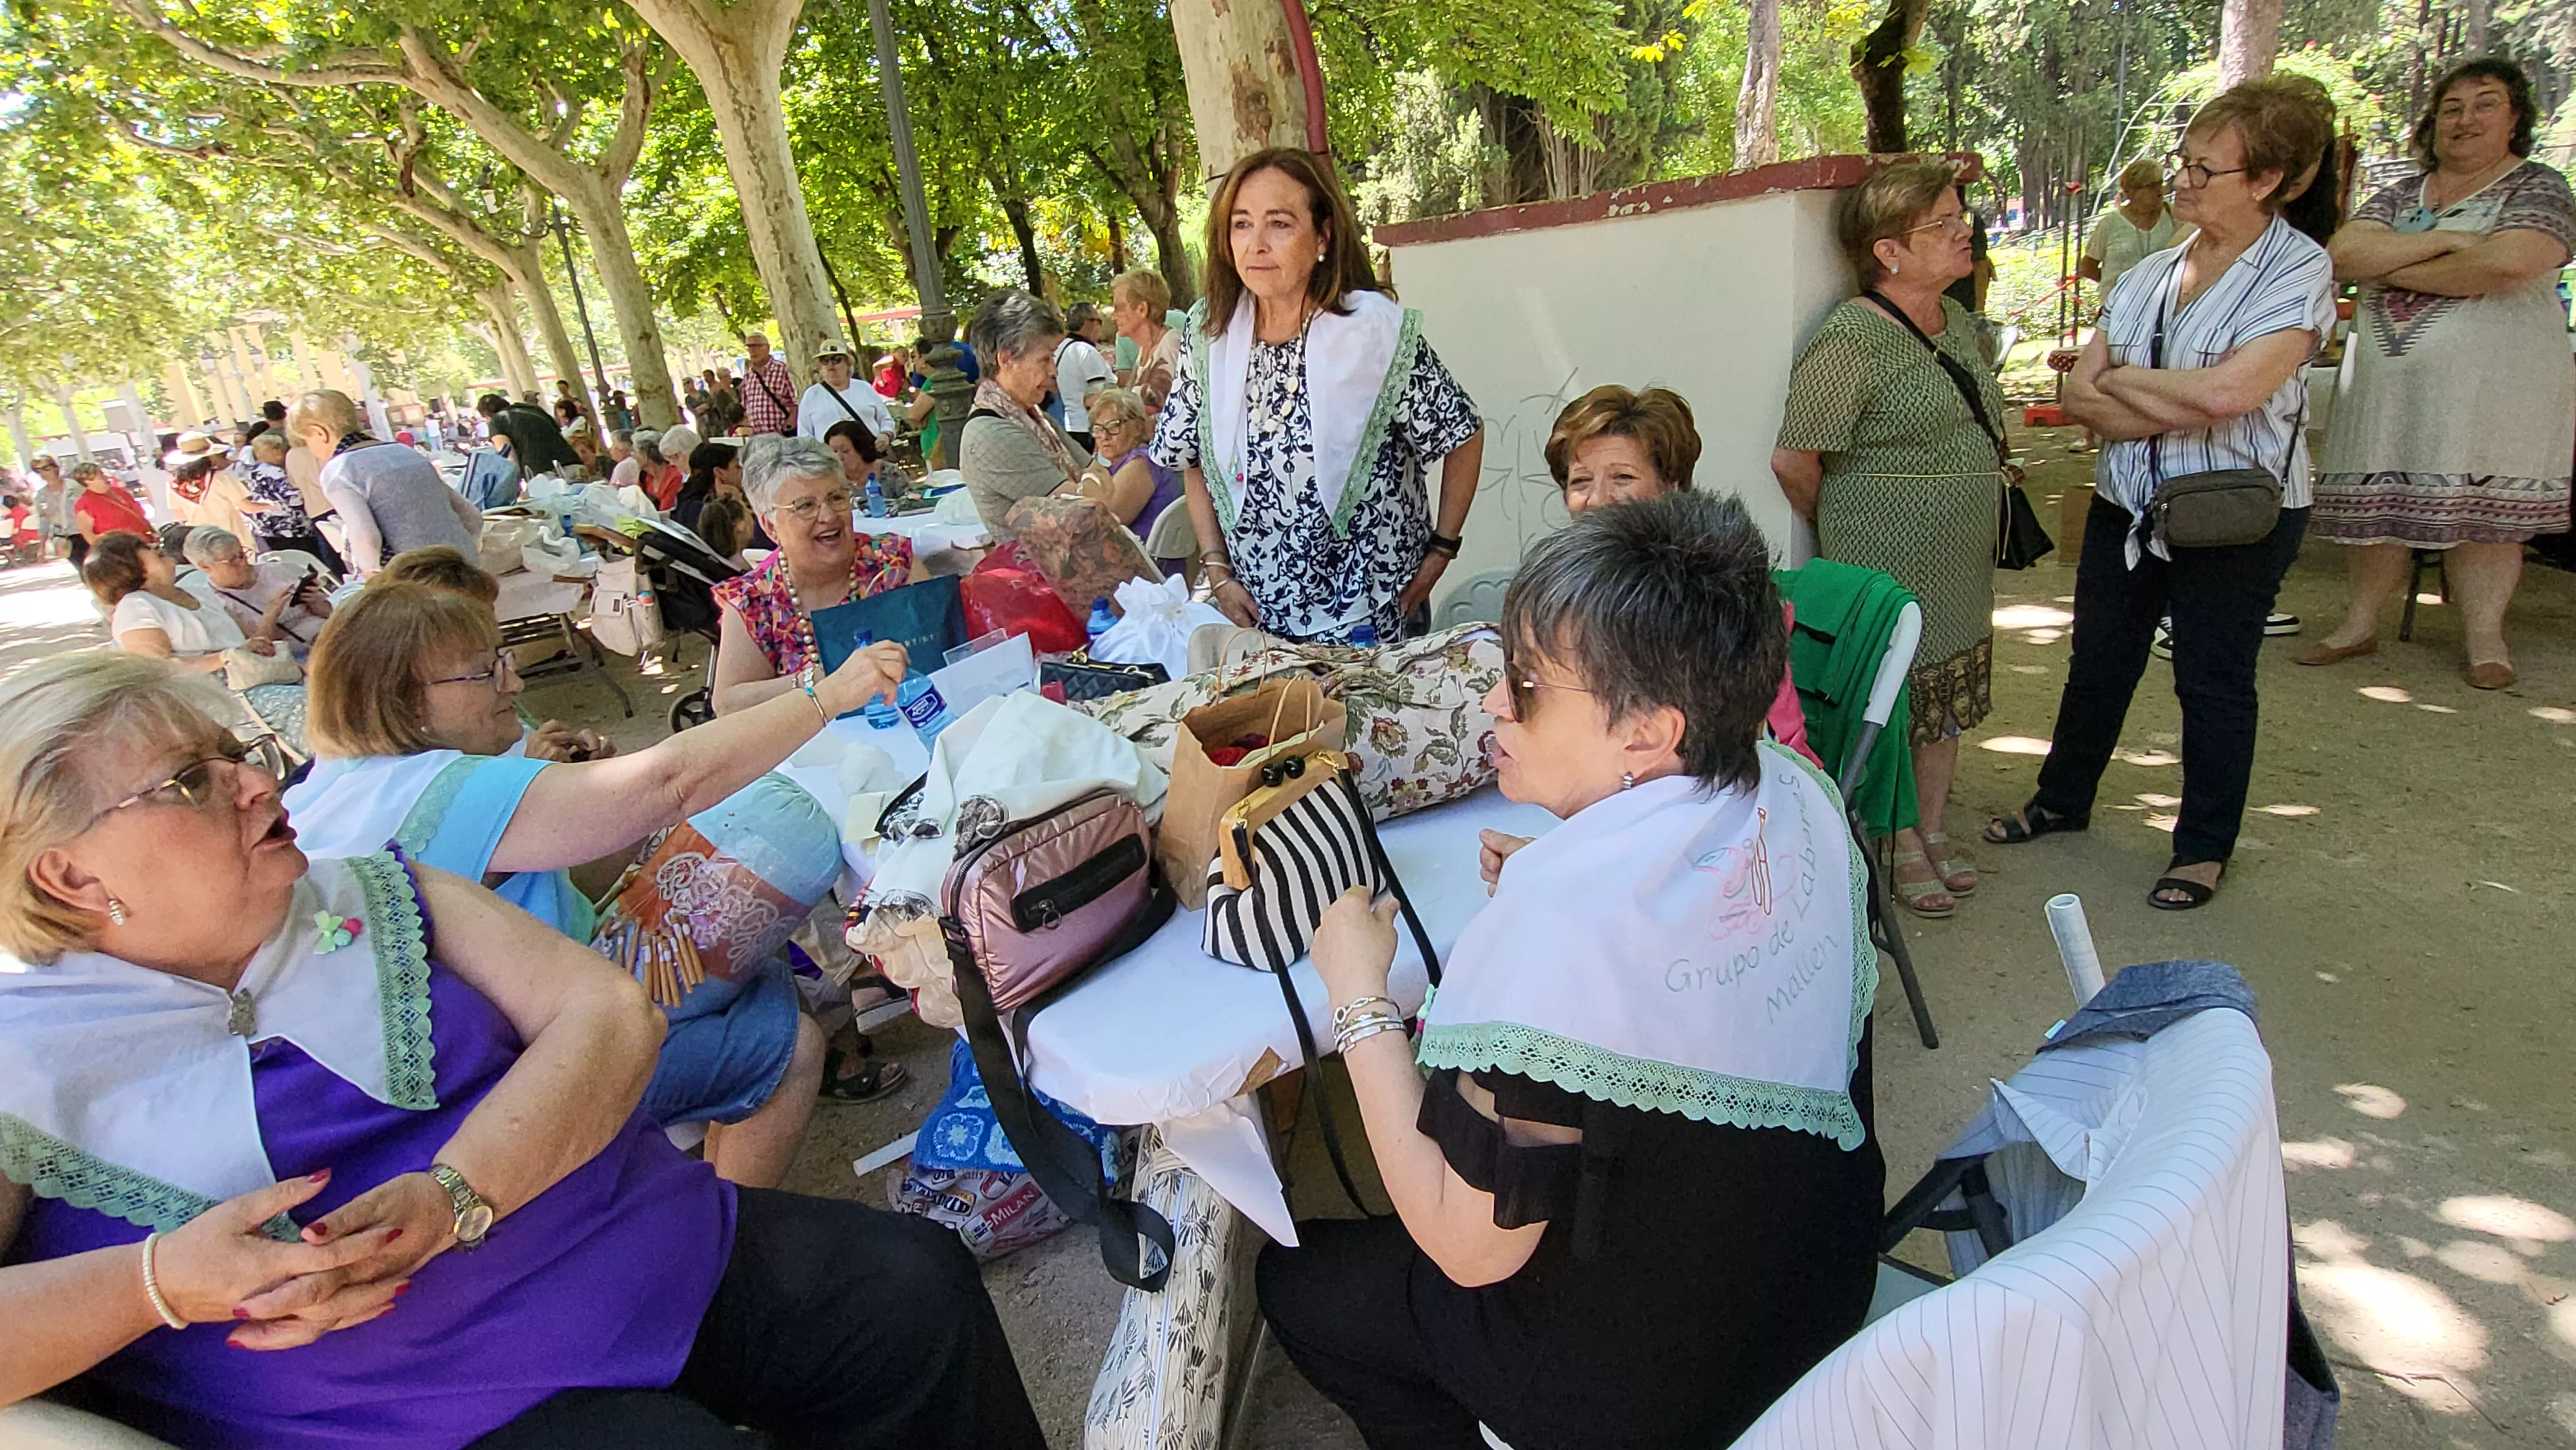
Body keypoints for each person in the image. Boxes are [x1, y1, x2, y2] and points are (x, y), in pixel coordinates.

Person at [0, 651, 1048, 1450]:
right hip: (417, 1410)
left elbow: (614, 1017)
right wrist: (159, 1282)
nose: (252, 783)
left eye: (238, 755)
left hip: (651, 1247)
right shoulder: (25, 1057)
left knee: (910, 1284)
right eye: (191, 780)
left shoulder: (373, 888)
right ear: (70, 877)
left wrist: (453, 1193)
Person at [1259, 491, 1883, 1450]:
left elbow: (1466, 1246)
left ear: (1648, 733)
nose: (1495, 703)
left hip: (1647, 1394)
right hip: (1820, 1292)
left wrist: (1358, 998)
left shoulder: (1563, 933)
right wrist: (1567, 875)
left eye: (1528, 684)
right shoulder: (1795, 793)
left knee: (1296, 1282)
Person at [283, 585, 913, 1180]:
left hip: (440, 1088)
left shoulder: (331, 786)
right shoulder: (443, 787)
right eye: (485, 673)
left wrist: (610, 817)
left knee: (760, 971)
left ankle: (689, 1183)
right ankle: (719, 1235)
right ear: (403, 699)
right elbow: (670, 784)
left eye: (504, 661)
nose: (514, 684)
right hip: (506, 1089)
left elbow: (576, 875)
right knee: (790, 1040)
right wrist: (827, 696)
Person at [1986, 76, 2340, 911]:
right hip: (2128, 499)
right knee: (2098, 663)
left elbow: (2231, 395)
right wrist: (2170, 396)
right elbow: (2079, 396)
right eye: (2183, 161)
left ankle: (2202, 847)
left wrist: (2130, 387)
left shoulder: (2299, 270)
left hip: (2235, 512)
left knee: (2212, 680)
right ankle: (2062, 799)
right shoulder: (2149, 271)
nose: (2182, 180)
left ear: (2267, 181)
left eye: (2205, 169)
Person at [1774, 163, 2007, 918]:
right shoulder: (1850, 338)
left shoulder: (1958, 321)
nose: (1964, 230)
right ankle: (1896, 835)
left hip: (1960, 555)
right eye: (1942, 223)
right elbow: (1795, 460)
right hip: (1882, 551)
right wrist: (1853, 524)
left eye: (1960, 215)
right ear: (1889, 251)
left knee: (1947, 689)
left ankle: (1931, 824)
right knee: (1893, 691)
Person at [2304, 59, 2575, 690]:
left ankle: (2485, 639)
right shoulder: (2403, 192)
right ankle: (2358, 625)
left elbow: (2508, 263)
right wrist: (2453, 241)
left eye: (2485, 104)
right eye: (2452, 108)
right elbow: (2343, 254)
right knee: (2379, 507)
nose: (2465, 119)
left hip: (2494, 391)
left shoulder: (2538, 187)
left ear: (2515, 118)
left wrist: (2392, 266)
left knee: (2484, 513)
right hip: (2387, 391)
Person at [1156, 147, 1486, 643]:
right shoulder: (1210, 333)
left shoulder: (1370, 332)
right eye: (1242, 224)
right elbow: (1193, 458)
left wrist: (1441, 550)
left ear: (1323, 236)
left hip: (1373, 616)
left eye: (1279, 224)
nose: (1256, 244)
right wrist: (1218, 570)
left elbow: (1461, 433)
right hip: (1260, 617)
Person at [710, 437, 914, 715]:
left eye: (836, 498)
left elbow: (946, 643)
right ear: (770, 527)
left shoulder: (892, 561)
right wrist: (821, 680)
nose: (828, 516)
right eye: (805, 506)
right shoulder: (754, 600)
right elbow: (728, 704)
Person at [294, 390, 482, 576]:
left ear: (320, 433)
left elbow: (366, 536)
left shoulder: (339, 471)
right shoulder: (405, 452)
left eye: (307, 441)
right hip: (465, 566)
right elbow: (472, 517)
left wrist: (371, 576)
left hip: (416, 576)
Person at [958, 290, 1096, 543]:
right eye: (1045, 359)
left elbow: (1097, 477)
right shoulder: (993, 435)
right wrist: (1093, 487)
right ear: (1006, 360)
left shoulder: (1034, 416)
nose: (1054, 371)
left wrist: (1092, 488)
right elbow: (1086, 512)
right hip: (1042, 566)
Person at [84, 532, 284, 675]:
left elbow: (249, 640)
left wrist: (270, 616)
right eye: (144, 549)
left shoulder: (198, 592)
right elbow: (156, 668)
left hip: (252, 675)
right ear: (129, 568)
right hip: (214, 695)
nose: (154, 548)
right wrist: (224, 658)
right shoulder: (135, 606)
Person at [180, 525, 333, 657]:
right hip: (303, 656)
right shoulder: (217, 604)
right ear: (205, 567)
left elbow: (330, 612)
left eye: (242, 554)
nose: (243, 562)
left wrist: (315, 602)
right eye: (232, 560)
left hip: (332, 633)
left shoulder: (279, 570)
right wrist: (270, 616)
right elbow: (257, 652)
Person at [1080, 386, 1182, 534]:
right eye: (1098, 429)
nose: (1104, 436)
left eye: (1113, 426)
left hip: (1142, 548)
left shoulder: (1141, 463)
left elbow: (1106, 522)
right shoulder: (1125, 462)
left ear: (1136, 428)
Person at [234, 429, 328, 558]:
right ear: (275, 451)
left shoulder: (246, 473)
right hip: (292, 528)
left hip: (266, 530)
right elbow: (294, 499)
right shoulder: (275, 472)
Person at [797, 338, 897, 444]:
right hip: (829, 454)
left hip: (869, 452)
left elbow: (886, 420)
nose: (830, 365)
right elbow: (804, 435)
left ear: (847, 363)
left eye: (836, 360)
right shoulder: (811, 395)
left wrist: (886, 435)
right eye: (825, 361)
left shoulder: (864, 388)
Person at [1113, 268, 1183, 411]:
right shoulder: (1146, 349)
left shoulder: (1171, 343)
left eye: (1119, 308)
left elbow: (1159, 410)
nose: (1113, 316)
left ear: (1142, 309)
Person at [1054, 303, 1117, 451]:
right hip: (1085, 429)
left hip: (1064, 425)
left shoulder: (1058, 349)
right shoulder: (1086, 351)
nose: (1099, 327)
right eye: (1098, 321)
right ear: (1089, 323)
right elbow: (1096, 398)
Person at [477, 391, 580, 478]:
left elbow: (510, 458)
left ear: (487, 416)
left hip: (544, 474)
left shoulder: (497, 421)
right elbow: (558, 433)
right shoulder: (534, 409)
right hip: (573, 464)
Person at [72, 458, 156, 551]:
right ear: (88, 482)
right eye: (101, 477)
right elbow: (90, 537)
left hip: (146, 541)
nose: (106, 477)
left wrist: (152, 531)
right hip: (121, 549)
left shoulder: (121, 492)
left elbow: (139, 515)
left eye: (103, 474)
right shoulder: (85, 504)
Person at [737, 332, 799, 437]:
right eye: (749, 347)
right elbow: (746, 406)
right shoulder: (748, 375)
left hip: (782, 436)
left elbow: (796, 402)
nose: (752, 351)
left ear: (767, 348)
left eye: (756, 346)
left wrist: (789, 426)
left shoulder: (782, 370)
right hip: (759, 438)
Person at [674, 438, 743, 531]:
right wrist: (737, 503)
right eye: (738, 467)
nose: (742, 472)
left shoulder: (689, 502)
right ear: (719, 473)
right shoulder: (710, 511)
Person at [696, 494, 755, 570]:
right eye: (747, 510)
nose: (751, 513)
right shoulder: (748, 568)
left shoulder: (711, 566)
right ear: (739, 525)